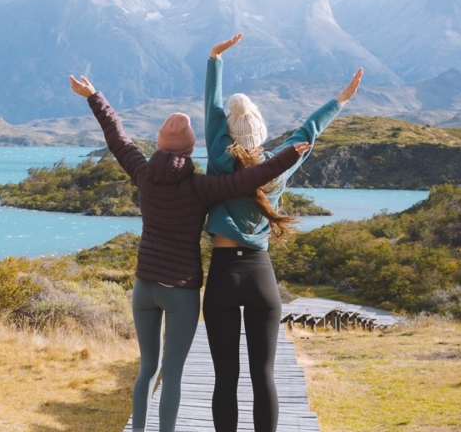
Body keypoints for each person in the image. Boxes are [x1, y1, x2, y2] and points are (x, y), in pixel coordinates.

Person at [69, 73, 312, 432]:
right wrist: (289, 155)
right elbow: (247, 180)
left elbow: (117, 138)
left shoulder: (142, 173)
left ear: (159, 145)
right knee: (173, 372)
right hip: (179, 290)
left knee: (146, 368)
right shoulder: (200, 187)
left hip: (143, 287)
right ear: (188, 150)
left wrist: (94, 96)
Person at [202, 33, 363, 432]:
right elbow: (311, 128)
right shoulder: (278, 166)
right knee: (264, 377)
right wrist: (341, 100)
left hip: (222, 274)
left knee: (225, 378)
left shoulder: (220, 159)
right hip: (260, 276)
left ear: (229, 133)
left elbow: (213, 109)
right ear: (260, 132)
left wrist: (215, 60)